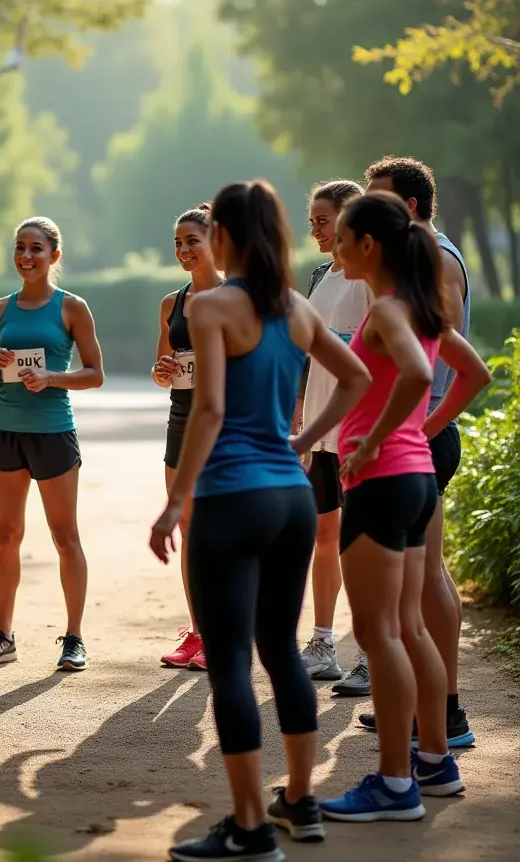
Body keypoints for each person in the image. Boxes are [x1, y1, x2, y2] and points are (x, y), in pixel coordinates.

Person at [150, 181, 371, 862]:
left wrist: (174, 501)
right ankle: (299, 803)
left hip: (231, 498)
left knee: (229, 668)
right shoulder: (296, 307)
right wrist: (302, 444)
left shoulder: (215, 306)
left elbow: (209, 411)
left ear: (225, 236)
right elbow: (357, 378)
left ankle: (249, 828)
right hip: (290, 499)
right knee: (281, 652)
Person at [318, 192, 490, 823]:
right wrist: (408, 432)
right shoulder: (418, 305)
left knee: (378, 632)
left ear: (368, 246)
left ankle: (393, 783)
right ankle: (434, 762)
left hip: (385, 481)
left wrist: (382, 438)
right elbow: (473, 376)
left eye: (341, 238)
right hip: (414, 477)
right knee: (408, 627)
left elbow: (417, 375)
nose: (333, 249)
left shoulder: (390, 309)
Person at [361, 156, 475, 746]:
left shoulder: (432, 257)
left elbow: (447, 343)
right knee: (428, 579)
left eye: (375, 205)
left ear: (406, 208)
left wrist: (425, 428)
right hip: (415, 435)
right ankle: (427, 706)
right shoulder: (419, 257)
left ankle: (444, 717)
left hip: (419, 436)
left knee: (423, 582)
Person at [0, 217, 104, 672]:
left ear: (54, 256)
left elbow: (95, 373)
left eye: (37, 249)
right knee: (7, 536)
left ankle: (74, 638)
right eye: (20, 248)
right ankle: (4, 636)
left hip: (53, 433)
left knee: (65, 537)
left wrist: (51, 377)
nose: (26, 256)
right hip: (5, 430)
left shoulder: (72, 308)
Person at [294, 180, 374, 695]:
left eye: (323, 220)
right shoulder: (322, 274)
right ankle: (322, 645)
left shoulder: (373, 278)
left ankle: (368, 655)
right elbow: (307, 352)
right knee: (324, 537)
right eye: (312, 222)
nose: (316, 230)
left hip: (361, 430)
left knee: (362, 545)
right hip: (319, 429)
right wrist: (299, 416)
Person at [152, 203, 224, 671]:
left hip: (226, 424)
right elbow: (163, 369)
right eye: (178, 243)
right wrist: (162, 371)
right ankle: (199, 635)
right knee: (189, 530)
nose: (183, 250)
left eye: (192, 241)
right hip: (181, 419)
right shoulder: (171, 303)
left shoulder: (239, 296)